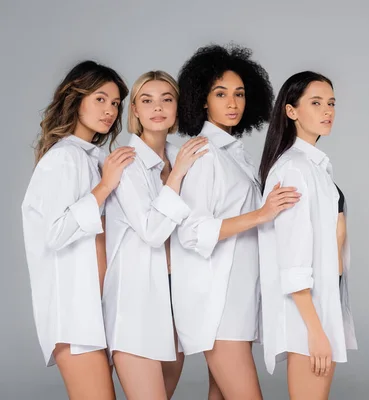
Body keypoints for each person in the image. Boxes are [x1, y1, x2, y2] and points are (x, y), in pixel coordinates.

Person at [171, 44, 300, 399]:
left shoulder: (233, 153)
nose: (232, 103)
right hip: (218, 303)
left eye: (240, 94)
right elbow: (191, 231)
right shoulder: (204, 153)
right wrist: (262, 213)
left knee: (221, 394)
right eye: (221, 93)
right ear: (202, 100)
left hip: (240, 297)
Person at [21, 60, 134, 400]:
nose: (110, 110)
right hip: (73, 315)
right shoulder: (63, 158)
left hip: (98, 311)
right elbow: (55, 233)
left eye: (115, 103)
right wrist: (103, 188)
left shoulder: (95, 157)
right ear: (76, 98)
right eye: (100, 99)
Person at [103, 70, 208, 400]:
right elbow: (151, 231)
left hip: (176, 301)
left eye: (167, 99)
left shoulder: (182, 156)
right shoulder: (126, 162)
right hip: (136, 304)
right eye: (146, 100)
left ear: (178, 107)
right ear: (134, 110)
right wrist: (177, 176)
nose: (157, 107)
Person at [257, 71, 358, 400]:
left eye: (330, 103)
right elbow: (293, 257)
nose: (327, 110)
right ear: (291, 111)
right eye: (315, 103)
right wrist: (316, 331)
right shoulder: (295, 169)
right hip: (308, 316)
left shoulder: (314, 166)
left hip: (322, 308)